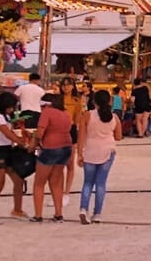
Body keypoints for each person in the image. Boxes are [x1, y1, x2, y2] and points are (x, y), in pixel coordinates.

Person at [76, 89, 122, 224]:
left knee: (87, 182)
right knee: (101, 183)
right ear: (109, 101)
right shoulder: (114, 117)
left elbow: (81, 136)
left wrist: (79, 153)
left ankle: (83, 209)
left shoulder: (87, 115)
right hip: (107, 151)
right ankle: (97, 214)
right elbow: (118, 137)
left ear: (94, 101)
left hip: (90, 150)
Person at [31, 93, 73, 222]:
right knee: (56, 182)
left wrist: (33, 144)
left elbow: (40, 133)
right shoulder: (65, 114)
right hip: (65, 148)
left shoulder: (47, 112)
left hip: (50, 148)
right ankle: (58, 214)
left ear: (45, 105)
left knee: (39, 183)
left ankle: (38, 215)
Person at [0, 92, 29, 223]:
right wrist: (22, 142)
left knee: (18, 179)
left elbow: (11, 133)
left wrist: (23, 137)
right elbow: (7, 133)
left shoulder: (6, 116)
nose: (12, 109)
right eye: (11, 106)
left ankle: (17, 210)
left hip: (7, 150)